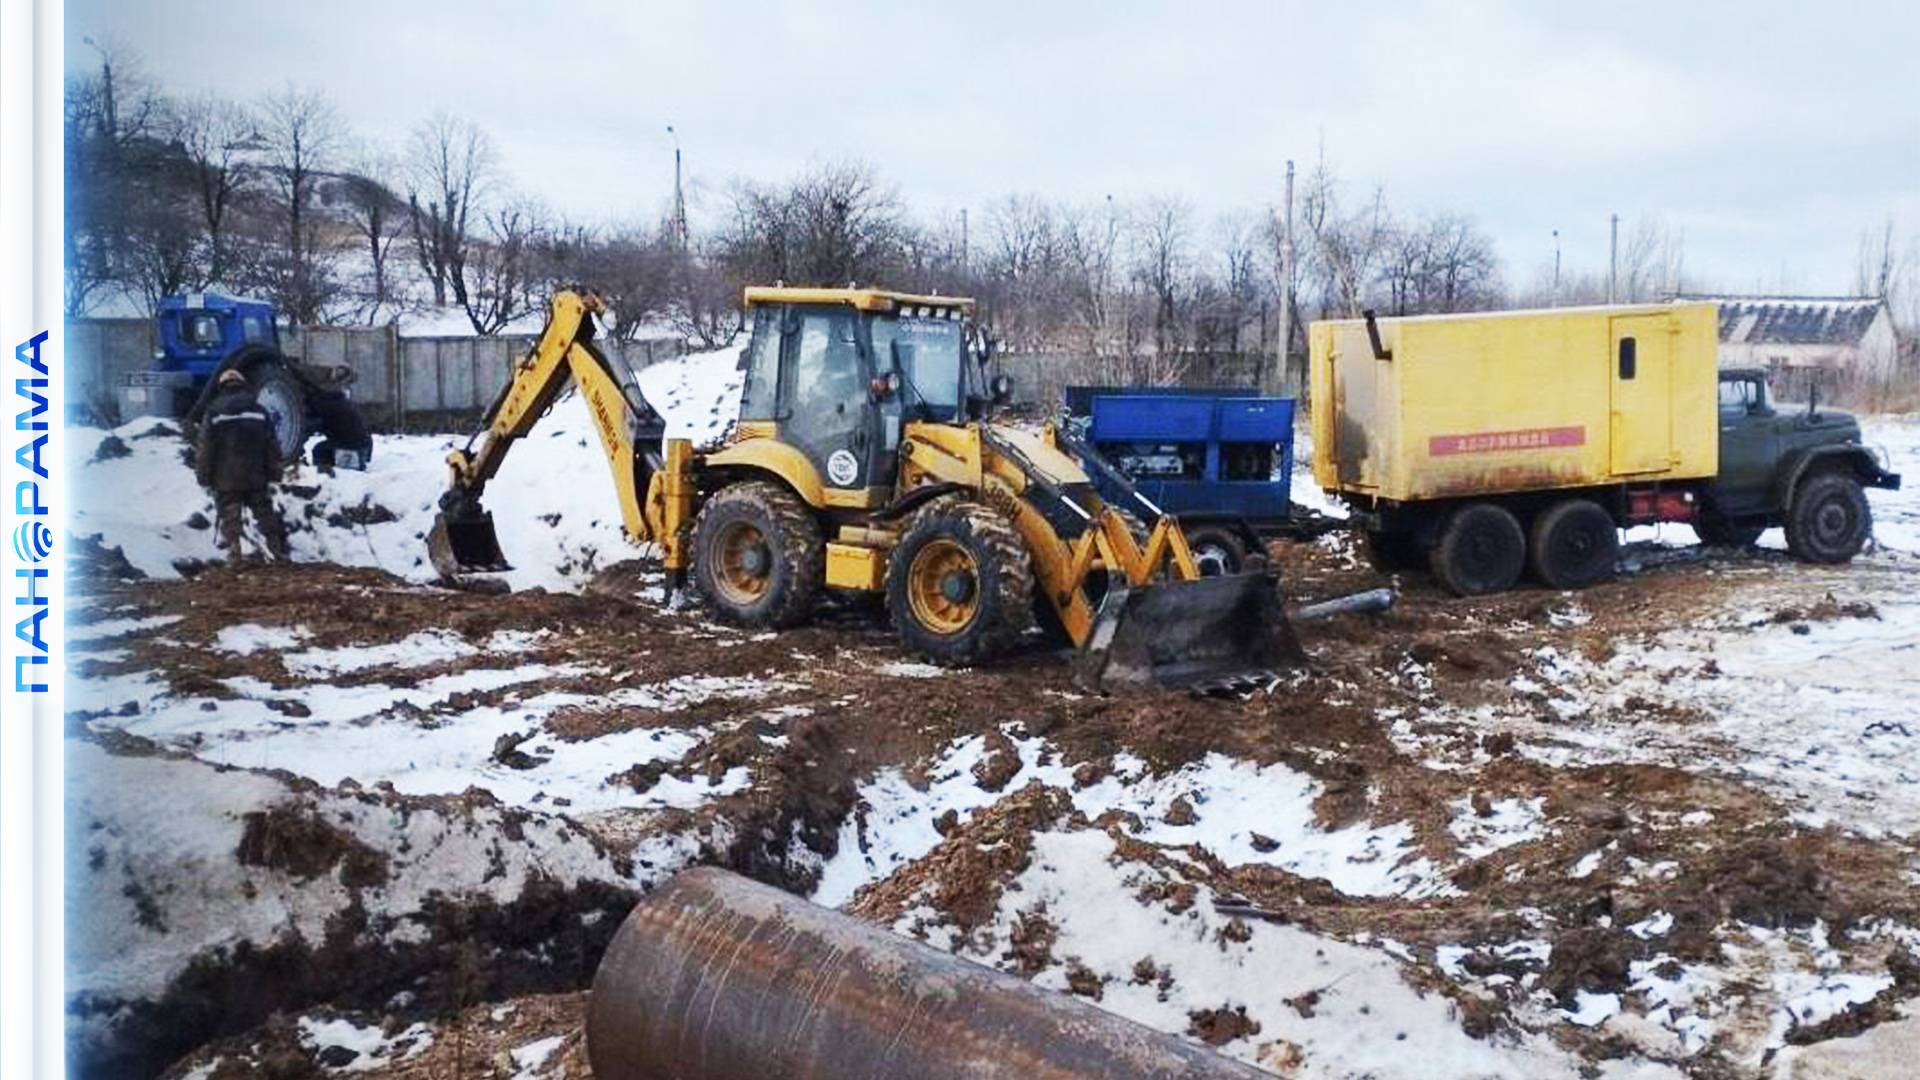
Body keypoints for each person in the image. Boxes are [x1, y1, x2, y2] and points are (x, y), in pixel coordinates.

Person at [195, 368, 291, 562]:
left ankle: (234, 552)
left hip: (226, 477)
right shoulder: (259, 410)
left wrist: (203, 476)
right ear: (243, 385)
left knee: (230, 515)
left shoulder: (214, 411)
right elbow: (272, 446)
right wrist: (275, 473)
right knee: (264, 514)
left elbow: (206, 448)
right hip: (256, 475)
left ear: (221, 387)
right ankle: (277, 551)